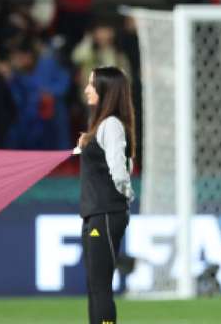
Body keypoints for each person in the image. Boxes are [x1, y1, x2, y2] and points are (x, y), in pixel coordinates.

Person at [77, 66, 136, 324]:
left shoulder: (111, 125)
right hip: (96, 214)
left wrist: (126, 194)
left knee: (100, 286)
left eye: (92, 84)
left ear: (106, 91)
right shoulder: (103, 126)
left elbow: (119, 170)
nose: (87, 89)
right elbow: (125, 161)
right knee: (95, 286)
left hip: (105, 213)